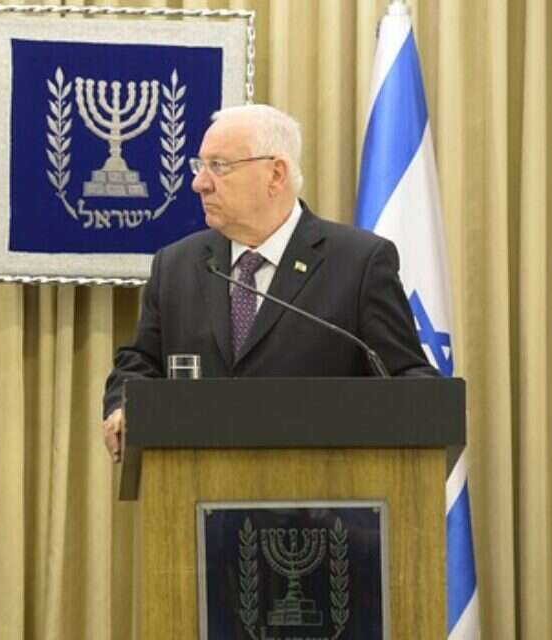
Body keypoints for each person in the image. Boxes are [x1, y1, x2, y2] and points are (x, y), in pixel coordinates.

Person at [101, 104, 437, 462]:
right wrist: (123, 406)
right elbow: (141, 361)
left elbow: (408, 378)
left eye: (219, 166)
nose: (199, 183)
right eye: (200, 166)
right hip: (194, 479)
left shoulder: (358, 264)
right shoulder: (177, 264)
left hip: (321, 487)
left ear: (276, 175)